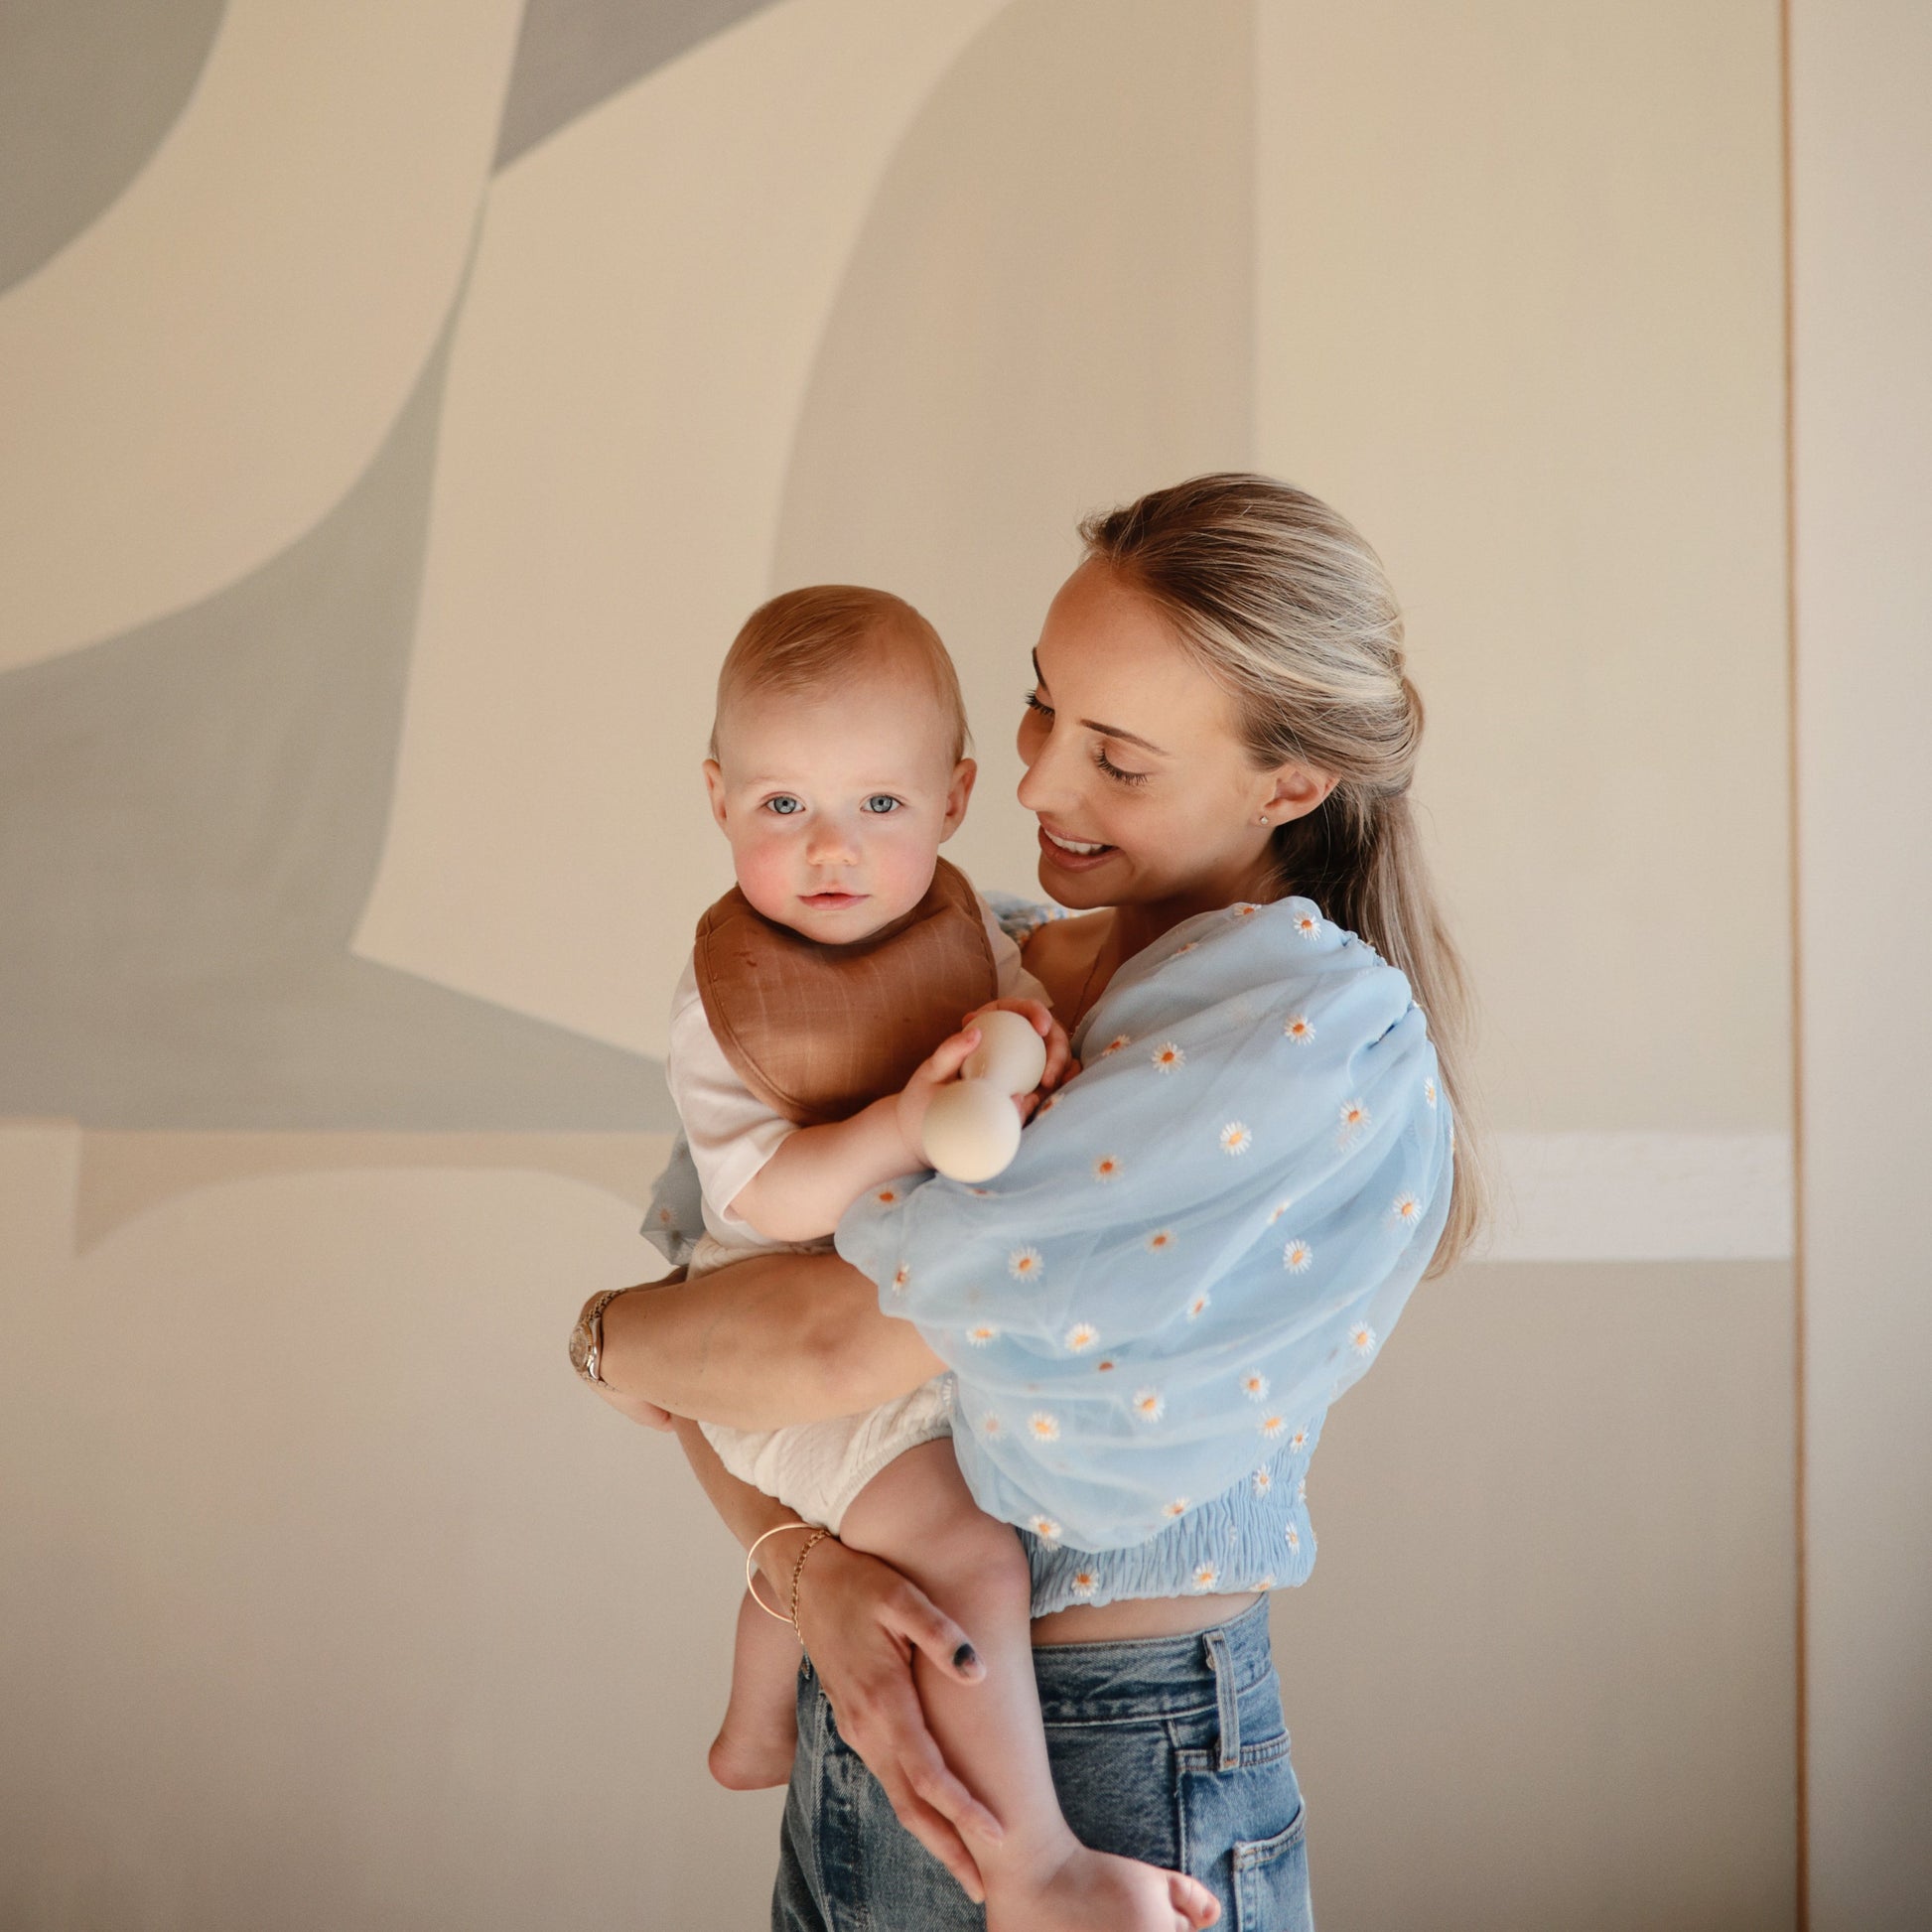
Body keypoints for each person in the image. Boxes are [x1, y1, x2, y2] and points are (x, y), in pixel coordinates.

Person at [575, 474, 1484, 1929]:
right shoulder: (955, 958)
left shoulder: (1294, 1029)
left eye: (1115, 757)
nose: (1038, 787)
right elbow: (742, 1328)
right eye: (1040, 707)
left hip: (1107, 1764)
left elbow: (812, 1347)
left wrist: (611, 1341)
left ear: (1290, 783)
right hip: (867, 1690)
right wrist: (799, 1571)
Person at [644, 582, 1219, 1929]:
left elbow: (1017, 1052)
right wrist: (903, 1123)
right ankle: (1033, 1867)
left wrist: (1032, 1046)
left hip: (895, 1331)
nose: (829, 847)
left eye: (879, 803)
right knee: (964, 1555)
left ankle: (753, 1727)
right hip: (784, 1329)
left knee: (871, 1529)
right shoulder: (728, 1000)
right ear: (718, 798)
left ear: (954, 799)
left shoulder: (981, 937)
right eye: (783, 803)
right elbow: (763, 1195)